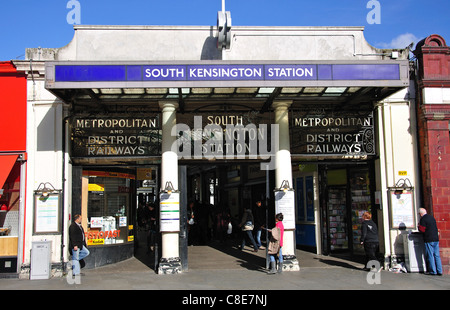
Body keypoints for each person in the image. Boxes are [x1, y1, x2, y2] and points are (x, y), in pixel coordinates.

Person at [418, 208, 443, 275]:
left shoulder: (423, 219)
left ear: (420, 214)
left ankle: (433, 271)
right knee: (437, 255)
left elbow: (422, 230)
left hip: (429, 239)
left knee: (430, 255)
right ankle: (439, 270)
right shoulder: (431, 218)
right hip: (435, 238)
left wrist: (418, 226)